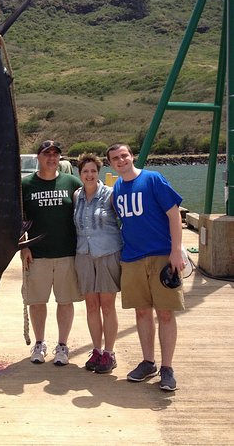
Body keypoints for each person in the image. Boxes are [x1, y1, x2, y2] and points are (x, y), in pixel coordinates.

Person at [106, 143, 185, 392]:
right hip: (132, 258)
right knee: (142, 312)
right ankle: (148, 361)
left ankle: (167, 368)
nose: (121, 161)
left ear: (131, 156)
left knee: (165, 313)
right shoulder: (117, 188)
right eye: (115, 159)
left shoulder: (153, 179)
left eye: (124, 155)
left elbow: (175, 215)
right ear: (110, 164)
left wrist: (175, 252)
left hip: (161, 256)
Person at [21, 140, 83, 365]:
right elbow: (18, 219)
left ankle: (63, 345)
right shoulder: (25, 185)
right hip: (37, 255)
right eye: (47, 154)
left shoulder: (72, 182)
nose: (51, 158)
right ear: (38, 157)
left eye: (56, 154)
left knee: (65, 301)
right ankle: (39, 343)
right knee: (37, 302)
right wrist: (23, 245)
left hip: (67, 252)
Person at [73, 153, 122, 374]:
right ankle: (97, 350)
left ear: (98, 172)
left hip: (108, 254)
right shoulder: (76, 197)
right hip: (84, 255)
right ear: (79, 173)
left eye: (93, 171)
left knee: (108, 306)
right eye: (85, 171)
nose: (89, 175)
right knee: (91, 306)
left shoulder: (111, 195)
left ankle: (109, 353)